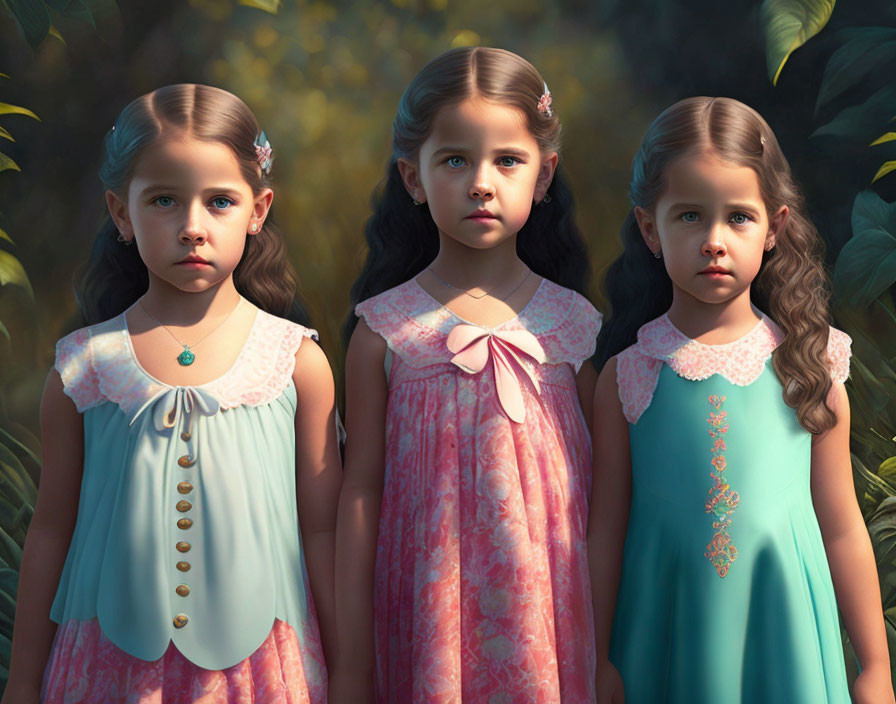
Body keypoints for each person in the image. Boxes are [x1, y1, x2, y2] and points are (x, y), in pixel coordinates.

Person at [2, 84, 341, 704]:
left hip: (259, 672)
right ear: (121, 213)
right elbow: (52, 528)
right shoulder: (84, 368)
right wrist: (23, 682)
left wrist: (350, 672)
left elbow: (321, 531)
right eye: (163, 200)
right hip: (109, 670)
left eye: (219, 202)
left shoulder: (296, 362)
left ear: (259, 210)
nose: (192, 228)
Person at [589, 96, 894, 704]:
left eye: (738, 218)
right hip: (665, 636)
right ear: (650, 227)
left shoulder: (813, 364)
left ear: (775, 226)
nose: (714, 241)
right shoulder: (628, 375)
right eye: (689, 217)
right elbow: (606, 530)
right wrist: (596, 657)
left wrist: (874, 667)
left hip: (786, 636)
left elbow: (840, 527)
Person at [334, 46, 602, 703]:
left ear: (543, 176)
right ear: (413, 177)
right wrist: (351, 658)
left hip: (551, 620)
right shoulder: (384, 332)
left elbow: (604, 496)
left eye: (507, 160)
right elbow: (360, 494)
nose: (481, 182)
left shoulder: (574, 328)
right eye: (455, 160)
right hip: (423, 621)